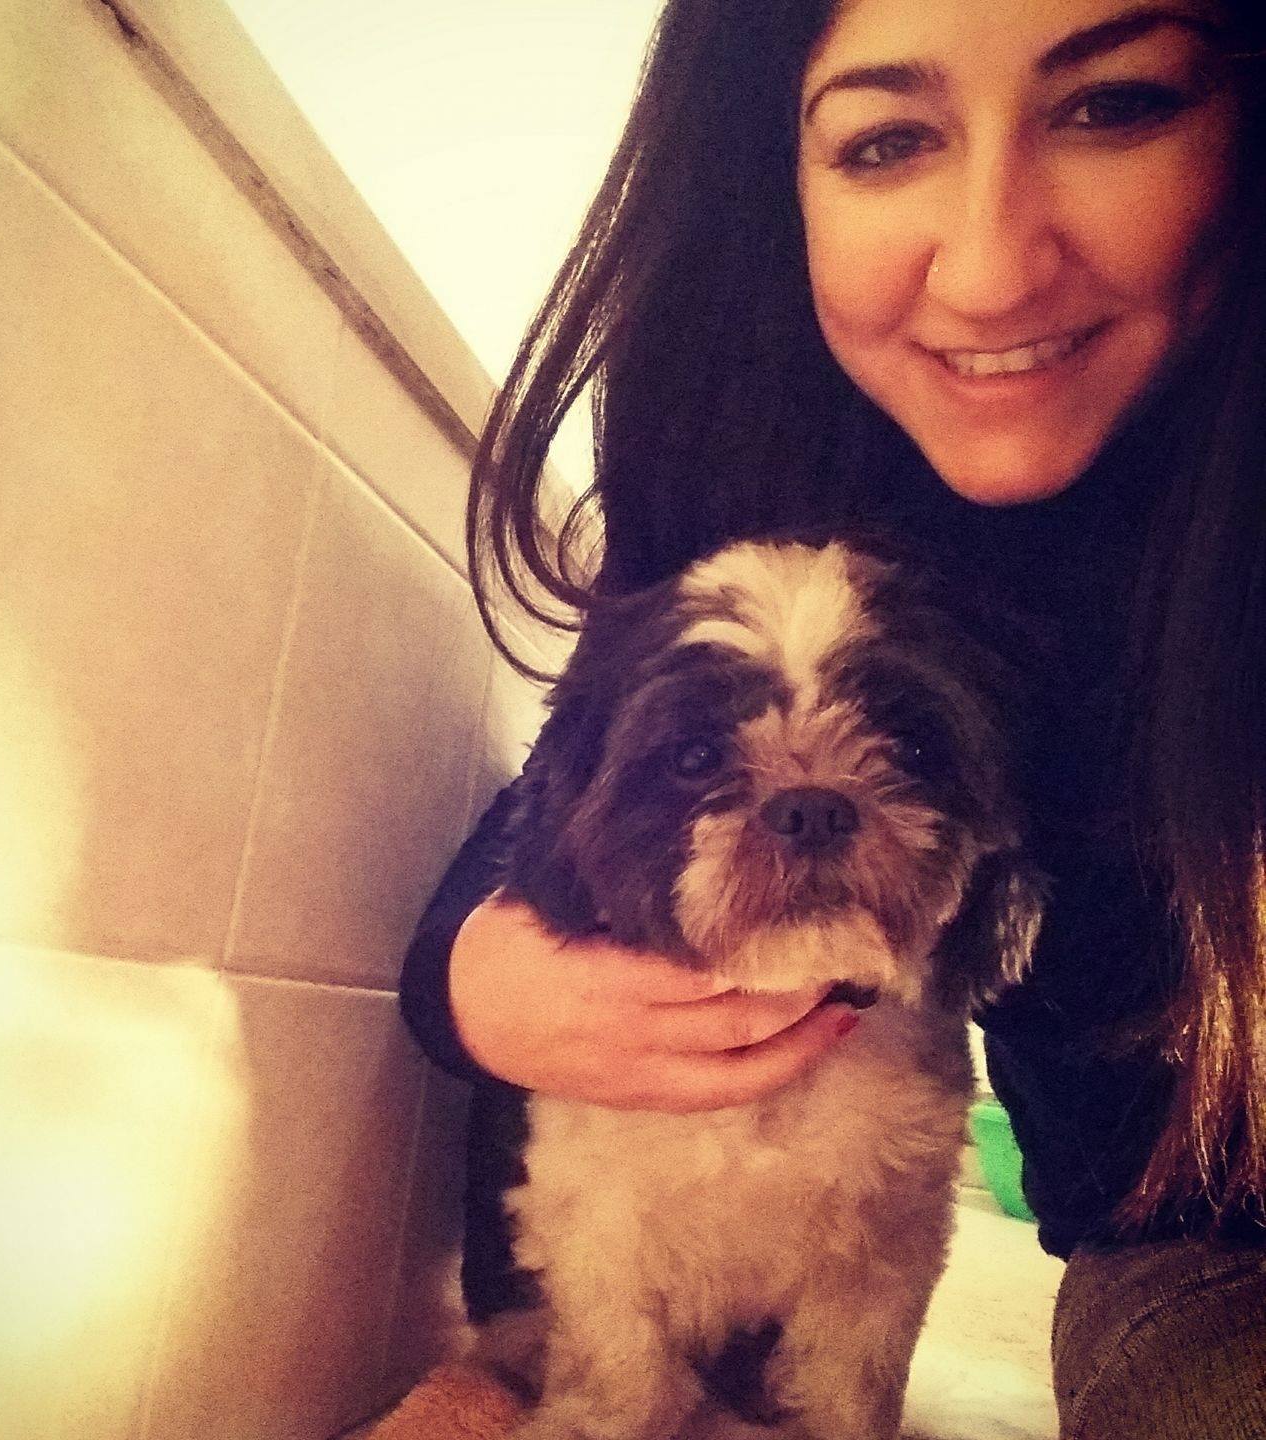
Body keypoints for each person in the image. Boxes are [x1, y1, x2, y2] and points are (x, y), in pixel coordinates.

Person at [399, 1, 1266, 1435]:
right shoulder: (778, 472)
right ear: (773, 180)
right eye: (884, 139)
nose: (990, 269)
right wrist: (458, 972)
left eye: (1113, 105)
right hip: (1194, 1242)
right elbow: (580, 773)